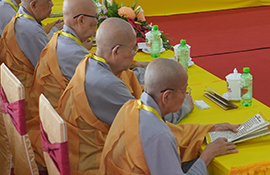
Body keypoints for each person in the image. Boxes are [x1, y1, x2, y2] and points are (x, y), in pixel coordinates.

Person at [60, 19, 196, 173]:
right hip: (91, 163)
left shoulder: (89, 63)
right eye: (133, 49)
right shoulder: (108, 85)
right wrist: (185, 107)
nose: (134, 54)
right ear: (116, 51)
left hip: (77, 148)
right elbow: (146, 120)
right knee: (190, 150)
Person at [99, 58, 238, 175]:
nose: (186, 96)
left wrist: (210, 128)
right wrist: (207, 156)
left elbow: (174, 131)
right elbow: (162, 136)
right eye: (184, 91)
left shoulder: (131, 106)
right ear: (167, 96)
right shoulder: (159, 135)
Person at [1, 0, 56, 159]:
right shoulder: (31, 31)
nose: (52, 4)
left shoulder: (19, 18)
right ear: (33, 5)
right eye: (49, 0)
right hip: (30, 100)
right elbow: (51, 71)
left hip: (15, 91)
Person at [34, 0, 97, 109]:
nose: (96, 23)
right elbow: (103, 86)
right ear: (81, 20)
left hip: (47, 108)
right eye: (95, 17)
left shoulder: (58, 37)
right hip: (63, 114)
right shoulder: (76, 53)